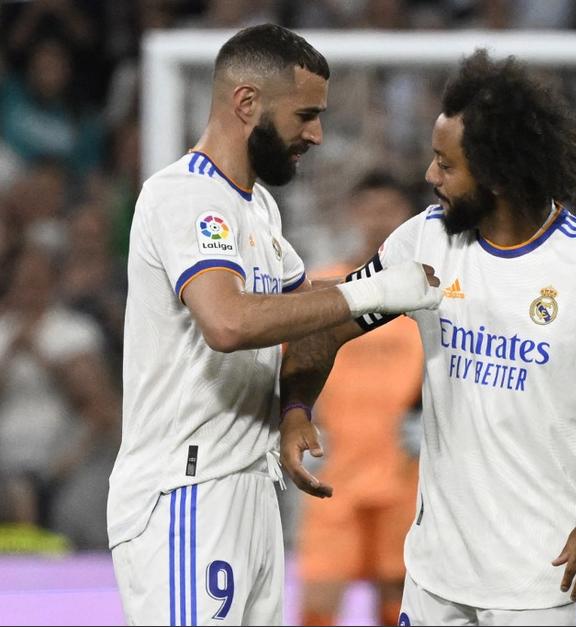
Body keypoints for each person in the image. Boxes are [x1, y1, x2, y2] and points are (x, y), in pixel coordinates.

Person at [279, 50, 576, 626]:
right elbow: (330, 325)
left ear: (500, 174)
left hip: (550, 582)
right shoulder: (424, 241)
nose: (430, 178)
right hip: (436, 580)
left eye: (446, 165)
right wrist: (298, 404)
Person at [106, 24, 442, 626]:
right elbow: (228, 322)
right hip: (188, 490)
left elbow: (309, 318)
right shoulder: (184, 196)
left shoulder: (257, 207)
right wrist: (375, 289)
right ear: (247, 103)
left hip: (251, 486)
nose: (315, 134)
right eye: (306, 115)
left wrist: (295, 410)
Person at [296, 171, 424, 627]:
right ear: (352, 212)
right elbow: (292, 366)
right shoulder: (323, 288)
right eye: (368, 209)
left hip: (404, 469)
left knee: (400, 594)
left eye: (388, 210)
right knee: (321, 591)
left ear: (407, 218)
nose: (377, 221)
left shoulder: (425, 294)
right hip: (333, 469)